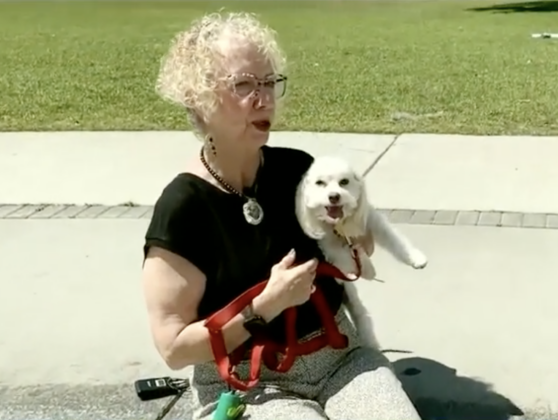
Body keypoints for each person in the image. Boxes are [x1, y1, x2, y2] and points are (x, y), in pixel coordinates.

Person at [141, 11, 422, 420]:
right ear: (197, 96)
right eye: (244, 85)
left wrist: (357, 235)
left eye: (270, 82)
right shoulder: (183, 207)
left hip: (340, 358)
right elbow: (174, 348)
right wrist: (264, 307)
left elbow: (360, 249)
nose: (265, 98)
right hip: (246, 384)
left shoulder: (300, 171)